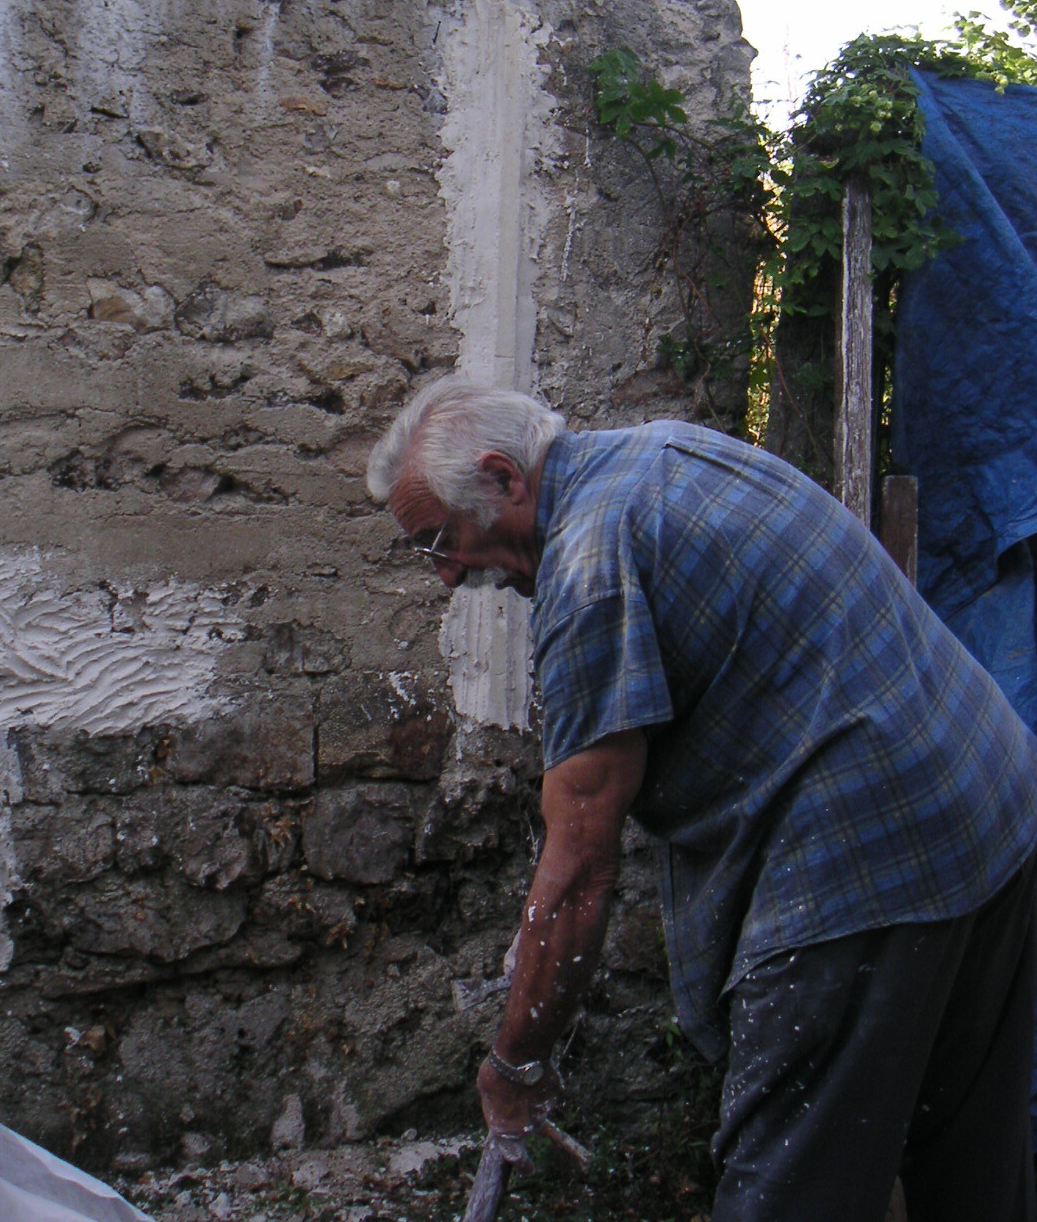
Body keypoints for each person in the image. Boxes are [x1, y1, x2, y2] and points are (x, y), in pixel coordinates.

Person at [366, 375, 1037, 1222]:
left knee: (790, 1189)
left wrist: (515, 1062)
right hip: (993, 797)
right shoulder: (664, 451)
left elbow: (579, 869)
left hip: (871, 853)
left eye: (441, 539)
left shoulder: (588, 566)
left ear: (505, 478)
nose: (444, 573)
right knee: (972, 1174)